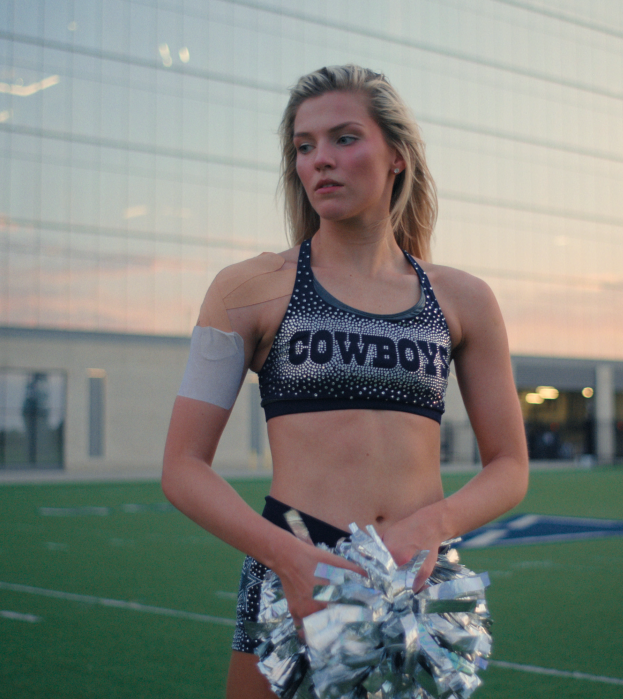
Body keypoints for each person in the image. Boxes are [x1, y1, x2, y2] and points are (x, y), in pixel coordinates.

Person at [161, 65, 529, 698]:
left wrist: (431, 525)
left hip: (418, 582)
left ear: (397, 157)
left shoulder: (464, 299)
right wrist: (288, 558)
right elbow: (182, 466)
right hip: (294, 577)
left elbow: (510, 465)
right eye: (304, 147)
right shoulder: (247, 290)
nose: (319, 161)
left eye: (344, 139)